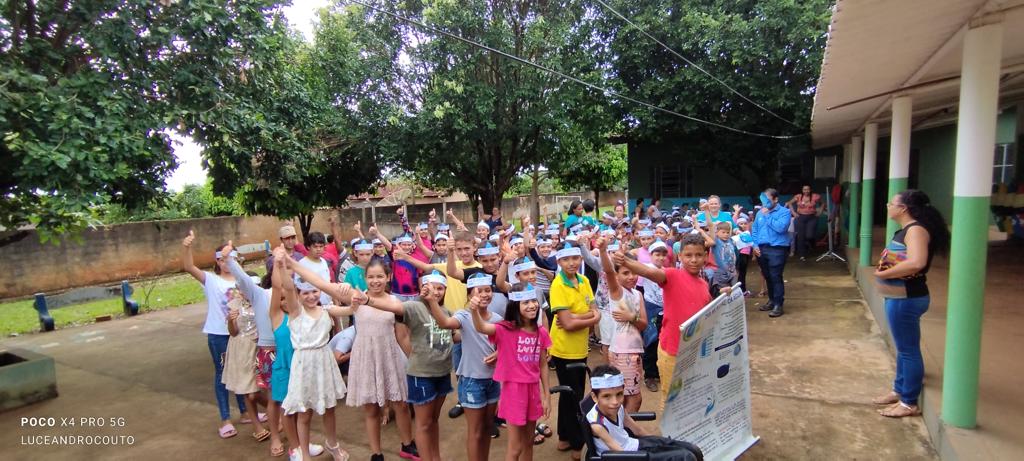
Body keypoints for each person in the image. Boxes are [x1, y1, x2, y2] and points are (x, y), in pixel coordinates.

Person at [612, 234, 712, 414]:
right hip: (672, 351)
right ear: (679, 257)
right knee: (671, 400)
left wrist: (726, 295)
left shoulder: (704, 284)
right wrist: (626, 261)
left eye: (699, 255)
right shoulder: (672, 275)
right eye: (688, 255)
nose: (694, 260)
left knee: (691, 395)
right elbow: (649, 272)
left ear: (706, 257)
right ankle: (671, 439)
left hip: (695, 351)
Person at [872, 190, 949, 418]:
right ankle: (899, 389)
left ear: (903, 208)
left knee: (908, 351)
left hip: (906, 298)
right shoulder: (909, 229)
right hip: (900, 297)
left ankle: (909, 402)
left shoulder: (916, 230)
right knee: (904, 348)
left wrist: (885, 274)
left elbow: (916, 262)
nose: (888, 205)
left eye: (892, 202)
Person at [332, 259, 419, 461]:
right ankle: (376, 453)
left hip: (390, 355)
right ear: (365, 278)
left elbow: (402, 336)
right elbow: (327, 290)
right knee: (371, 409)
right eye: (371, 277)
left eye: (380, 276)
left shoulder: (395, 302)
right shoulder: (356, 299)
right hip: (366, 357)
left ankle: (407, 444)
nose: (375, 281)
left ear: (388, 277)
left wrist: (414, 361)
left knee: (401, 404)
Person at [362, 272, 454, 461]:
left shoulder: (446, 312)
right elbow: (391, 306)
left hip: (443, 373)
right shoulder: (413, 307)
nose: (435, 292)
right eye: (431, 287)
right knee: (423, 424)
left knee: (434, 421)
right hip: (422, 375)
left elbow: (455, 336)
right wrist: (366, 299)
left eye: (440, 288)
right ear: (423, 288)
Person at [278, 252, 352, 461]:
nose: (311, 296)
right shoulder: (295, 312)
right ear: (299, 295)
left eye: (315, 291)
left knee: (329, 408)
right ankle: (303, 452)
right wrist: (283, 266)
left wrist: (346, 290)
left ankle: (332, 443)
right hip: (304, 364)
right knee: (305, 412)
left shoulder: (327, 310)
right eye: (305, 293)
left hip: (323, 360)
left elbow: (351, 308)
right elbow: (288, 287)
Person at [471, 283, 552, 461]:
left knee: (529, 441)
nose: (532, 305)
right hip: (513, 391)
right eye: (525, 302)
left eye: (533, 301)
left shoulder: (541, 332)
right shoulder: (504, 329)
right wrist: (475, 310)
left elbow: (543, 365)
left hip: (533, 390)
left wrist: (547, 395)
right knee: (515, 448)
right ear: (516, 305)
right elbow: (482, 328)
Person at [180, 230, 249, 439]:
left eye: (230, 258)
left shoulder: (243, 280)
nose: (226, 262)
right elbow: (189, 267)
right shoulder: (211, 280)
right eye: (221, 259)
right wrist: (187, 247)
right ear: (217, 262)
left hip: (240, 333)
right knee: (222, 375)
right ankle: (226, 419)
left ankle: (246, 412)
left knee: (241, 371)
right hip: (219, 335)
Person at [425, 274, 502, 460]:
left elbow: (505, 345)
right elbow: (444, 323)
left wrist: (499, 354)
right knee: (475, 431)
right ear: (469, 295)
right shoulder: (464, 315)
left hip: (493, 381)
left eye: (488, 290)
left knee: (487, 426)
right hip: (472, 381)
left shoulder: (498, 318)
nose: (484, 294)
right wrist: (432, 302)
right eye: (479, 291)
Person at [268, 251, 325, 460]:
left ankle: (304, 443)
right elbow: (277, 288)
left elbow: (290, 289)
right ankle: (295, 449)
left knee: (303, 409)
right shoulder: (276, 316)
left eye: (288, 297)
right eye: (281, 299)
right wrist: (277, 263)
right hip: (285, 367)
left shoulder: (299, 314)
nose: (284, 301)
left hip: (300, 365)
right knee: (288, 409)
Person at [548, 241, 602, 458]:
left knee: (569, 393)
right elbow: (567, 325)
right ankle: (578, 442)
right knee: (574, 395)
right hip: (563, 349)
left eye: (575, 258)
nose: (571, 263)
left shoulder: (584, 280)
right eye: (566, 259)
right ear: (558, 261)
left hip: (580, 347)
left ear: (581, 259)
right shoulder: (558, 285)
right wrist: (587, 317)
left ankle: (563, 438)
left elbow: (595, 312)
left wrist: (579, 316)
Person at [587, 365, 703, 461]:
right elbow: (619, 453)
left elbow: (638, 430)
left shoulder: (618, 408)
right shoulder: (598, 425)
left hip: (634, 445)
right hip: (627, 456)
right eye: (607, 396)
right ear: (594, 397)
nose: (615, 402)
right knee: (686, 457)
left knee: (692, 449)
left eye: (619, 394)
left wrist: (660, 443)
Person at [597, 239, 647, 413]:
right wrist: (603, 251)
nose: (632, 276)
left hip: (634, 351)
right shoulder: (617, 292)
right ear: (618, 276)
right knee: (634, 398)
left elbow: (643, 324)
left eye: (634, 272)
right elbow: (609, 271)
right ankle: (625, 433)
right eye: (626, 273)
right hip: (623, 351)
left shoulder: (638, 294)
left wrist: (631, 317)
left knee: (626, 397)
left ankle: (620, 430)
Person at [222, 287, 270, 444]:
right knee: (247, 390)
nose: (245, 292)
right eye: (241, 289)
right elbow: (233, 332)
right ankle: (257, 426)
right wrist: (230, 320)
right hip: (240, 349)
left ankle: (276, 411)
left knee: (254, 391)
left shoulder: (263, 302)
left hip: (258, 348)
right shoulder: (234, 305)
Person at [751, 188, 792, 318]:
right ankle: (772, 300)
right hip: (761, 249)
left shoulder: (784, 212)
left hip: (777, 249)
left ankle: (778, 304)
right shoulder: (759, 213)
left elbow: (781, 228)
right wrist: (755, 245)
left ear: (775, 199)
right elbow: (755, 230)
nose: (765, 203)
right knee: (767, 275)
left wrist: (768, 215)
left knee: (775, 276)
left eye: (767, 200)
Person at [297, 231, 334, 306]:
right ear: (308, 247)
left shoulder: (323, 261)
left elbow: (328, 282)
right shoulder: (302, 264)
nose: (318, 249)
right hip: (313, 305)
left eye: (321, 246)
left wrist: (334, 299)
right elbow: (298, 287)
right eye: (315, 247)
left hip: (329, 304)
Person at [786, 185, 823, 261]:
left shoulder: (815, 196)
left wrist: (820, 212)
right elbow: (789, 203)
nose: (806, 191)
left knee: (809, 235)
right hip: (800, 218)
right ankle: (802, 255)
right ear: (802, 190)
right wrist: (793, 213)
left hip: (812, 218)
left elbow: (822, 204)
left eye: (808, 189)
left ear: (810, 190)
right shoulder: (798, 197)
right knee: (800, 237)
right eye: (804, 189)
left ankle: (811, 246)